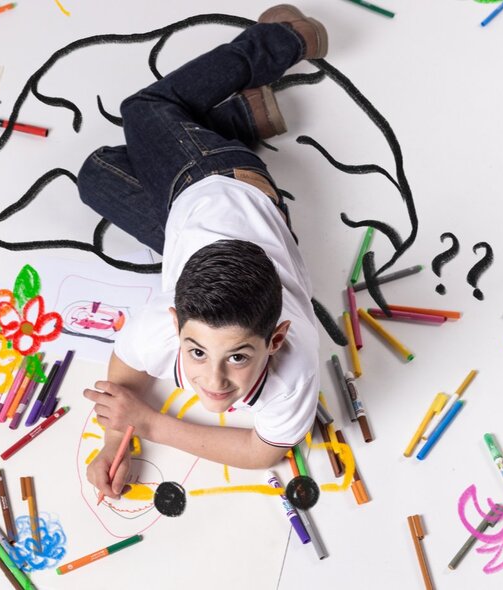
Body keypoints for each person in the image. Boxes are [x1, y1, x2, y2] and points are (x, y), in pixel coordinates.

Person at [79, 4, 327, 500]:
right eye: (196, 352)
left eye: (237, 356)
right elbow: (126, 374)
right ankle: (236, 113)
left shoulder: (295, 367)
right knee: (103, 165)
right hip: (204, 183)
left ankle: (286, 41)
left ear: (276, 339)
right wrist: (114, 441)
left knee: (137, 116)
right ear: (174, 322)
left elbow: (265, 452)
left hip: (209, 189)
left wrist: (147, 425)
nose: (211, 380)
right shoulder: (159, 325)